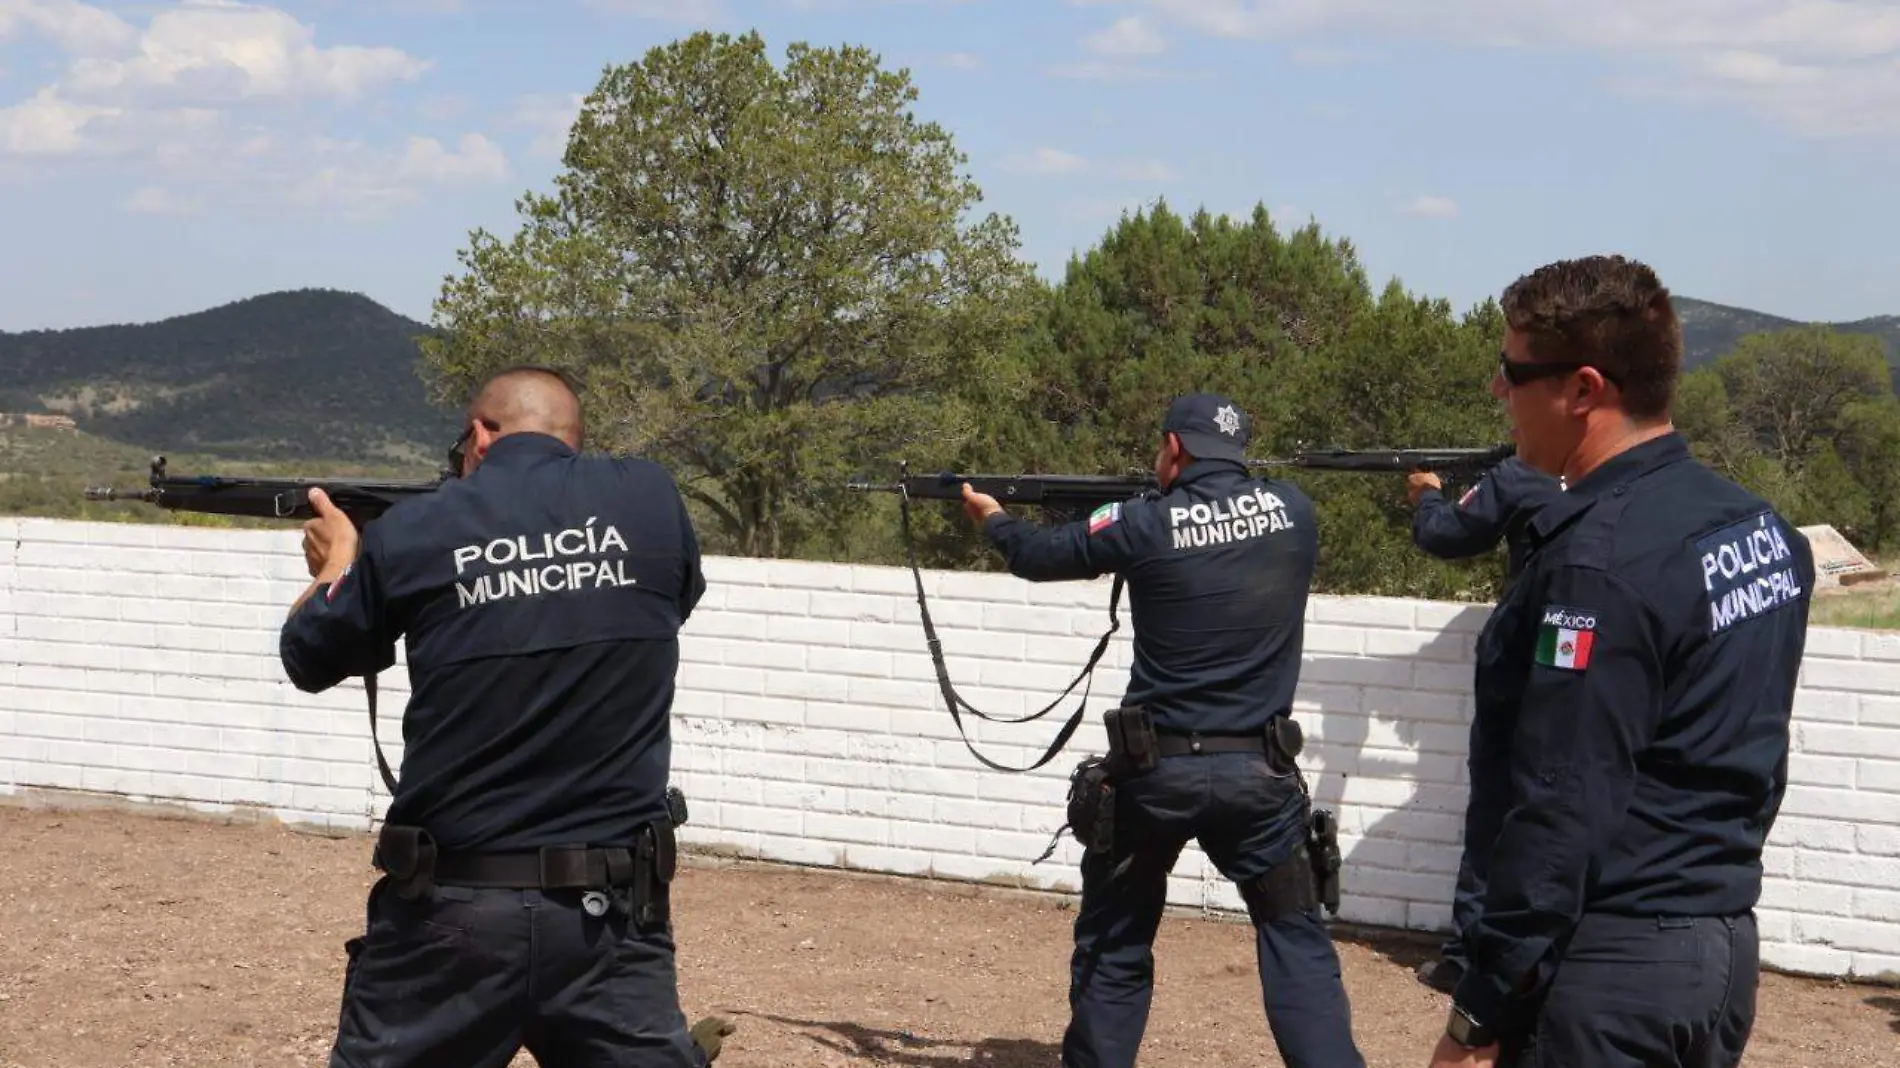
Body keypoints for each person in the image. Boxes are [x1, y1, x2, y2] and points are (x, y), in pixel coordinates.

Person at [279, 365, 729, 1068]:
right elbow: (666, 601)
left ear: (481, 436)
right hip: (610, 923)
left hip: (449, 915)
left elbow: (309, 656)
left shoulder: (415, 530)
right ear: (571, 437)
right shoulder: (650, 499)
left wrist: (338, 561)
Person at [1429, 256, 1813, 1068]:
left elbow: (1562, 805)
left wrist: (1480, 1007)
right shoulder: (1759, 529)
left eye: (1512, 371)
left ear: (1583, 390)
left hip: (1609, 970)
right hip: (1716, 949)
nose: (1499, 392)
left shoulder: (1598, 565)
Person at [960, 393, 1366, 1068]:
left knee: (1116, 944)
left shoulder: (1143, 523)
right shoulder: (1295, 512)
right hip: (1260, 778)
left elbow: (1034, 554)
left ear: (1174, 449)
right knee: (1297, 942)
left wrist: (993, 517)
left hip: (1155, 775)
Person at [1403, 457, 1563, 996]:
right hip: (1603, 661)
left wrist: (1426, 494)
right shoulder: (1634, 476)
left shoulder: (1522, 474)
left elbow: (1445, 533)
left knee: (1495, 812)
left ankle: (1470, 957)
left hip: (1523, 661)